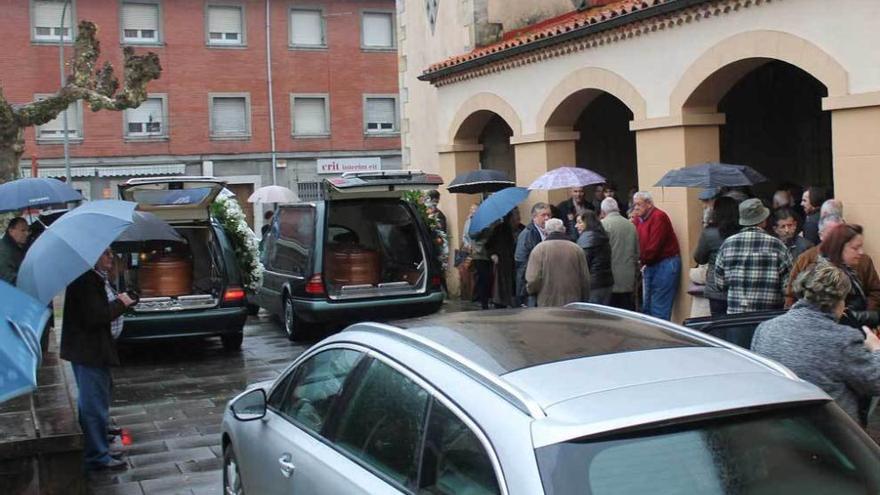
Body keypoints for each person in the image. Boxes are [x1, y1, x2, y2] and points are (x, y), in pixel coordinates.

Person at [752, 262, 880, 425]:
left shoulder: (766, 328)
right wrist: (876, 349)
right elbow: (875, 382)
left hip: (779, 426)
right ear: (839, 301)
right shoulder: (843, 340)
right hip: (830, 434)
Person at [61, 249, 136, 472]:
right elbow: (96, 316)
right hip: (89, 352)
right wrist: (121, 303)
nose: (110, 258)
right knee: (93, 405)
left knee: (93, 402)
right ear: (93, 257)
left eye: (111, 253)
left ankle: (98, 447)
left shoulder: (93, 277)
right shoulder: (86, 280)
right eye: (105, 254)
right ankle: (97, 456)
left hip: (92, 351)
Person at [787, 223, 880, 321]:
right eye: (855, 248)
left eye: (861, 247)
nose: (861, 252)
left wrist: (869, 314)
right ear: (839, 247)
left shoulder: (855, 267)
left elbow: (875, 291)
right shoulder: (820, 274)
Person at [714, 198, 793, 314]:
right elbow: (788, 285)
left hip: (736, 316)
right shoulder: (777, 246)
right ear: (764, 220)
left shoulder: (727, 245)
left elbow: (720, 284)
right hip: (769, 316)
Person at [631, 191, 681, 320]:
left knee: (659, 308)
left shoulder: (659, 217)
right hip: (650, 264)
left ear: (649, 204)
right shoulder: (638, 219)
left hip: (664, 264)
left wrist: (640, 261)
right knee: (647, 307)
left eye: (639, 204)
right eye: (634, 204)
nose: (635, 208)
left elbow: (654, 246)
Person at [525, 218, 590, 307]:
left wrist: (531, 291)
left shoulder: (539, 250)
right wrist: (584, 298)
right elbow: (585, 278)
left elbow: (533, 279)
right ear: (564, 230)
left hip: (547, 302)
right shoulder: (577, 249)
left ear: (546, 231)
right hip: (573, 302)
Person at [693, 197, 740, 316]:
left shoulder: (709, 234)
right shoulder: (742, 232)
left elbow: (699, 258)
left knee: (718, 326)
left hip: (716, 289)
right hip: (738, 286)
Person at [600, 197, 639, 310]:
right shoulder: (631, 226)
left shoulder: (603, 225)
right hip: (628, 277)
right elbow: (637, 252)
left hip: (610, 278)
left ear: (603, 212)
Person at [515, 202, 551, 307]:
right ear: (534, 217)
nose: (547, 218)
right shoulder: (527, 234)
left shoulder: (549, 231)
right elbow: (521, 263)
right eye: (543, 215)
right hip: (531, 282)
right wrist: (523, 290)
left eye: (549, 215)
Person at [575, 211, 614, 305]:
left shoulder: (587, 238)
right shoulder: (602, 235)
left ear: (587, 223)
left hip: (593, 284)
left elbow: (583, 264)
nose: (576, 226)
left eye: (580, 222)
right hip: (606, 282)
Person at [486, 209, 519, 308]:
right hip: (503, 261)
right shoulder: (500, 229)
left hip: (515, 262)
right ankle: (502, 303)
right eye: (516, 215)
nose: (518, 217)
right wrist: (493, 254)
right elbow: (489, 245)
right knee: (502, 285)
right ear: (509, 217)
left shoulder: (520, 228)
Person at [0, 217, 28, 284]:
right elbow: (9, 278)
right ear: (11, 231)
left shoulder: (17, 246)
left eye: (28, 230)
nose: (27, 233)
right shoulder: (3, 251)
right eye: (23, 230)